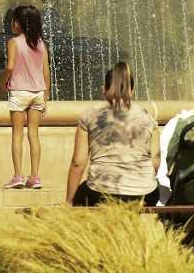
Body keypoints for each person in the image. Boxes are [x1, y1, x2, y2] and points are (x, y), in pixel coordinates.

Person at [66, 62, 159, 206]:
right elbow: (155, 162)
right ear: (132, 91)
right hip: (144, 194)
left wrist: (69, 201)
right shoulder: (148, 118)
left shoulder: (90, 115)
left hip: (99, 192)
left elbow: (78, 163)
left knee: (81, 194)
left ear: (104, 89)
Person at [0, 5, 51, 189]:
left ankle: (18, 176)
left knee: (17, 135)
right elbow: (46, 71)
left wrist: (2, 82)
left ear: (19, 23)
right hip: (38, 92)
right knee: (34, 136)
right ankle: (35, 176)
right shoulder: (40, 43)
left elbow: (11, 66)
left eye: (14, 20)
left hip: (20, 92)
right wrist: (46, 95)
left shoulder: (14, 42)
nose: (12, 23)